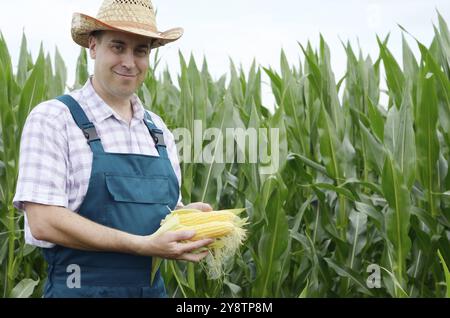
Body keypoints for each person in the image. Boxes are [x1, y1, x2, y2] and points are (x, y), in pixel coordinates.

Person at [12, 0, 213, 298]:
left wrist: (187, 220)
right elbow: (44, 222)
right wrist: (142, 245)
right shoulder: (55, 119)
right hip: (79, 290)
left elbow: (160, 215)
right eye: (118, 47)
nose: (129, 61)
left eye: (140, 50)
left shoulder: (157, 131)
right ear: (93, 47)